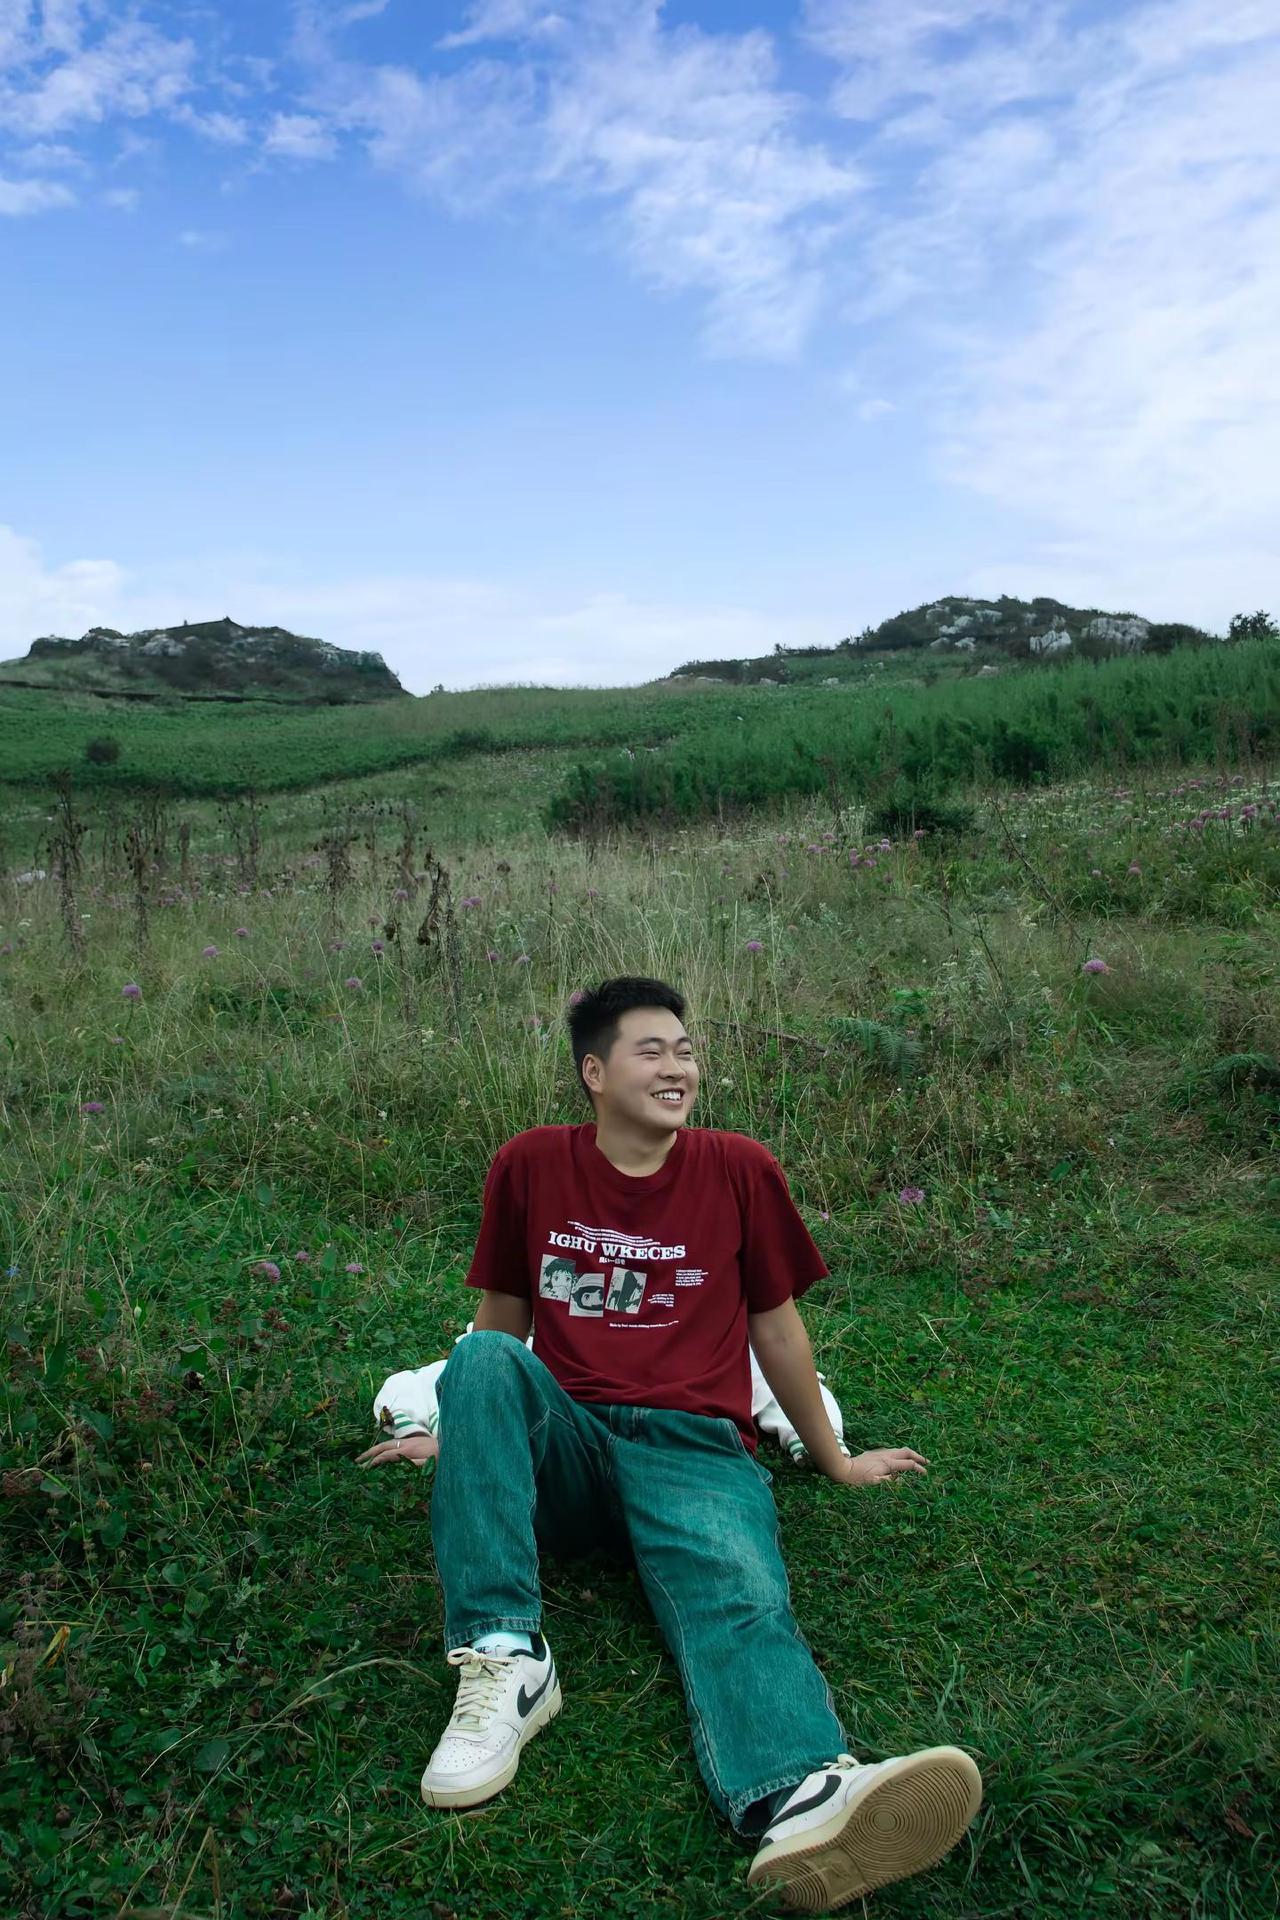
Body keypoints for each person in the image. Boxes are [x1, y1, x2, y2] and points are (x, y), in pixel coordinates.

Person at [355, 976, 982, 1912]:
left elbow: (777, 1331)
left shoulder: (738, 1169)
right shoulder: (531, 1164)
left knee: (737, 1592)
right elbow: (501, 1323)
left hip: (694, 1451)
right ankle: (507, 1657)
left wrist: (836, 1460)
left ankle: (797, 1797)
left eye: (685, 1051)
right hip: (570, 1450)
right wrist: (466, 1444)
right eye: (651, 1050)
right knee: (479, 1359)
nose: (677, 1066)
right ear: (594, 1072)